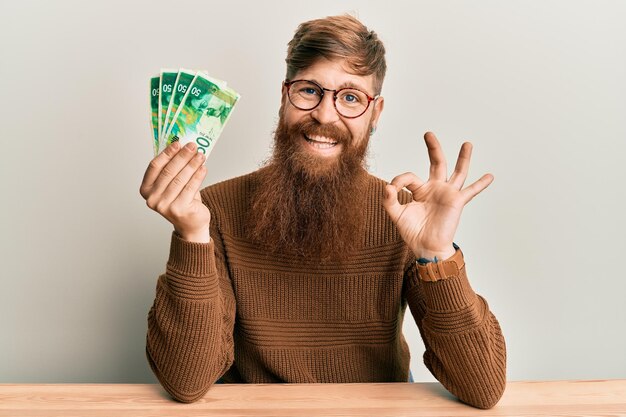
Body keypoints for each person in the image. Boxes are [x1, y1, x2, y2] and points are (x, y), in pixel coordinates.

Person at [139, 14, 506, 409]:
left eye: (350, 97)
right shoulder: (214, 212)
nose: (326, 116)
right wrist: (191, 236)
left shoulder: (405, 217)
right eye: (309, 90)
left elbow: (482, 389)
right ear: (284, 96)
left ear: (375, 113)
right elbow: (185, 381)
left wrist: (436, 255)